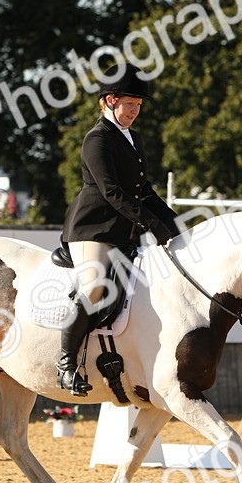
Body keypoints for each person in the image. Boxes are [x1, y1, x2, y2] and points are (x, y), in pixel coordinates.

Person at [57, 63, 180, 395]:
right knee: (95, 288)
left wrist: (172, 222)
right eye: (130, 106)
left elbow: (145, 190)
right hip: (93, 228)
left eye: (138, 107)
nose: (134, 113)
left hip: (124, 230)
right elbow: (112, 192)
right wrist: (150, 223)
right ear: (109, 101)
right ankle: (66, 364)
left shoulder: (134, 139)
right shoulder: (96, 140)